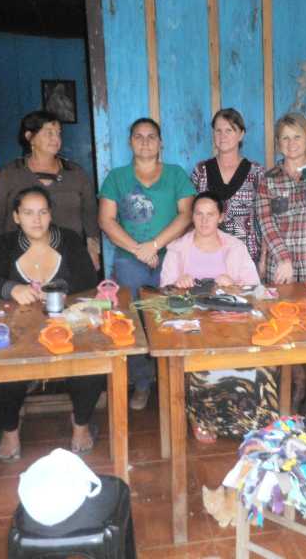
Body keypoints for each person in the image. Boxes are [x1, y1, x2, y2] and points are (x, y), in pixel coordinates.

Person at [0, 186, 101, 461]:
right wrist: (12, 288)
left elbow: (88, 277)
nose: (37, 220)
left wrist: (56, 288)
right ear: (16, 216)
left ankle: (80, 424)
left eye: (43, 212)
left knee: (93, 360)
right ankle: (10, 428)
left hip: (67, 325)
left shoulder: (68, 239)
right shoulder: (7, 244)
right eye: (28, 213)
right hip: (20, 329)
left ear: (50, 214)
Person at [99, 118, 195, 410]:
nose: (145, 142)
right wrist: (140, 250)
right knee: (135, 320)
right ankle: (142, 382)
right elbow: (106, 220)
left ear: (160, 142)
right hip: (130, 262)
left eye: (151, 137)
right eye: (138, 137)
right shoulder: (117, 177)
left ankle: (177, 383)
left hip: (173, 259)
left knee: (175, 316)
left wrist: (155, 245)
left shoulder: (175, 174)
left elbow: (186, 215)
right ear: (130, 142)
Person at [160, 191, 270, 441]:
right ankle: (202, 417)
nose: (204, 220)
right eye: (199, 214)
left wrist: (233, 284)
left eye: (211, 214)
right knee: (200, 356)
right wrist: (178, 284)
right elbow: (164, 290)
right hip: (193, 321)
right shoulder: (177, 248)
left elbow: (253, 287)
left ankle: (242, 416)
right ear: (192, 216)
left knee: (248, 354)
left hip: (229, 320)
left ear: (221, 217)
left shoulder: (235, 247)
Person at [256, 113, 306, 414]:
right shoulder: (268, 180)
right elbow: (265, 222)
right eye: (285, 137)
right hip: (281, 266)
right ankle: (296, 384)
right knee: (286, 324)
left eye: (297, 136)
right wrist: (282, 259)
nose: (291, 142)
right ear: (278, 142)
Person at [0, 110, 101, 269]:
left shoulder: (76, 173)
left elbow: (90, 214)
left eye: (58, 133)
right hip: (21, 256)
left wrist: (93, 252)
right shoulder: (11, 173)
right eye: (49, 133)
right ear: (30, 137)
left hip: (69, 255)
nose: (56, 139)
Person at [191, 108, 265, 265]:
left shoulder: (256, 171)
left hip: (246, 258)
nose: (222, 135)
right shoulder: (201, 170)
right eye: (218, 130)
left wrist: (264, 259)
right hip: (207, 256)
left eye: (229, 130)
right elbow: (190, 216)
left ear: (241, 134)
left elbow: (266, 219)